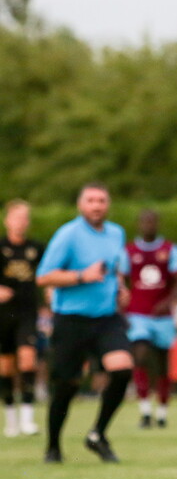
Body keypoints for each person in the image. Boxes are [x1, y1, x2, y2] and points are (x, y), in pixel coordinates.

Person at [35, 183, 134, 463]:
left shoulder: (116, 233)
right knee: (67, 384)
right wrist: (81, 277)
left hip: (106, 318)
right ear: (81, 205)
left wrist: (121, 288)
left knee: (123, 369)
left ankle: (97, 435)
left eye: (101, 200)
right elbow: (43, 277)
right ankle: (53, 446)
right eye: (90, 200)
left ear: (108, 204)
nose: (96, 205)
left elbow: (116, 270)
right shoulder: (68, 235)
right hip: (71, 319)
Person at [120, 209, 177, 429]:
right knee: (140, 355)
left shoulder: (170, 249)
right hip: (138, 314)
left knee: (162, 365)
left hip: (163, 317)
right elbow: (120, 280)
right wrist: (121, 305)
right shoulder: (128, 251)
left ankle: (162, 413)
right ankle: (145, 411)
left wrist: (168, 302)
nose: (148, 225)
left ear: (157, 224)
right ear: (139, 224)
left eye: (152, 222)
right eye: (145, 222)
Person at [0, 199, 45, 437]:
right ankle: (11, 419)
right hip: (3, 315)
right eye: (17, 217)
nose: (21, 222)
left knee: (28, 360)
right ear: (7, 220)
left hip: (27, 312)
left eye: (25, 218)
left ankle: (28, 417)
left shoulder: (36, 249)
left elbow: (49, 274)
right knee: (6, 367)